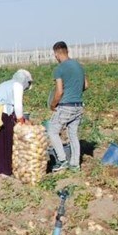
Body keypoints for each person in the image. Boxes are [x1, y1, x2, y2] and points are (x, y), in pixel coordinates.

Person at [0, 69, 33, 176]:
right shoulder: (17, 85)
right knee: (6, 140)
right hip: (1, 114)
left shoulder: (7, 84)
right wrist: (21, 121)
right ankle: (5, 170)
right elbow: (18, 106)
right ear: (25, 81)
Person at [48, 41, 87, 172]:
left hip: (66, 106)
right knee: (73, 134)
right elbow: (86, 85)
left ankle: (62, 160)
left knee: (52, 131)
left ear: (56, 54)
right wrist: (74, 90)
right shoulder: (79, 66)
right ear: (67, 51)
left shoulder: (60, 69)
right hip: (79, 106)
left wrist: (53, 104)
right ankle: (75, 164)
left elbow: (59, 92)